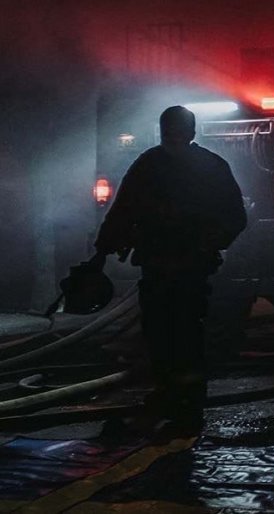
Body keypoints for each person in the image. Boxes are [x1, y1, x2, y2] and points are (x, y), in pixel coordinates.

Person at [94, 105, 247, 433]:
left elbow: (234, 217)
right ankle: (172, 393)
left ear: (190, 133)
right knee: (161, 331)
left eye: (178, 132)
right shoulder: (167, 165)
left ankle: (186, 401)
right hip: (164, 266)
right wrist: (103, 247)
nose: (174, 138)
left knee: (183, 331)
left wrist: (207, 243)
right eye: (170, 133)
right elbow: (124, 210)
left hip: (186, 268)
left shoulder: (160, 164)